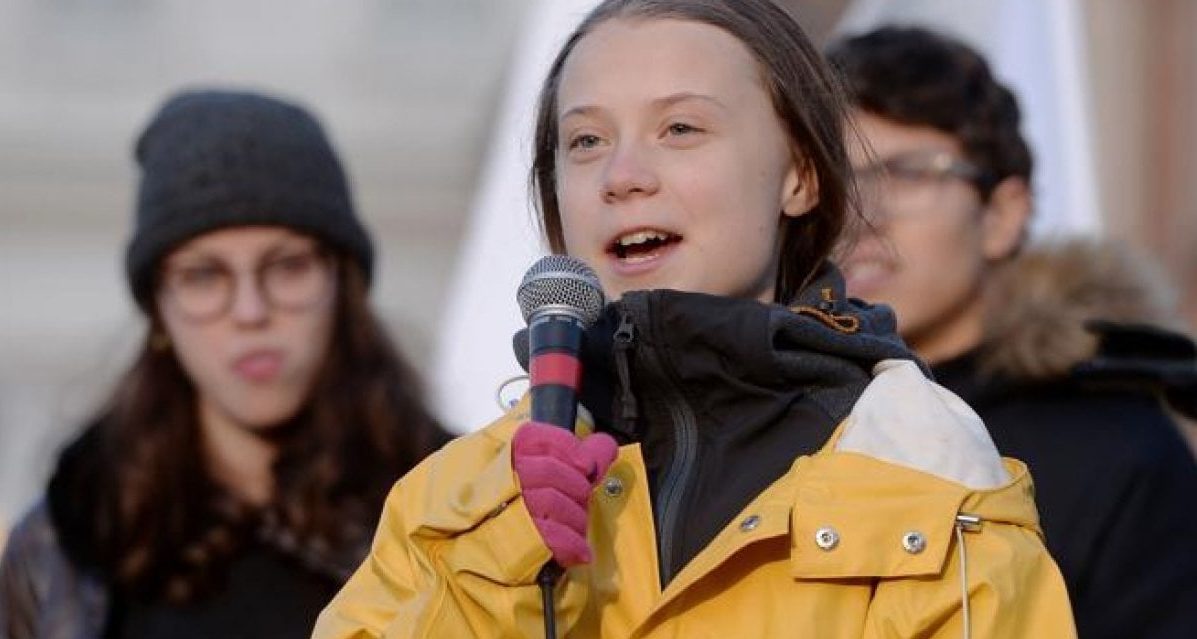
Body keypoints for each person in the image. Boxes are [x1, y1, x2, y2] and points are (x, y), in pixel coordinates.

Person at [314, 2, 1074, 637]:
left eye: (680, 129)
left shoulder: (940, 493)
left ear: (800, 174)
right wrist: (500, 562)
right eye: (585, 141)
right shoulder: (451, 505)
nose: (623, 176)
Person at [0, 89, 452, 638]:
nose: (250, 311)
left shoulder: (458, 513)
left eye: (287, 266)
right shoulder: (66, 546)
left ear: (343, 284)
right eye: (203, 276)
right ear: (159, 310)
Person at [829, 26, 1197, 639]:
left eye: (907, 173)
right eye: (837, 180)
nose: (862, 213)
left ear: (1003, 214)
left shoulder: (1114, 445)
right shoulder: (776, 424)